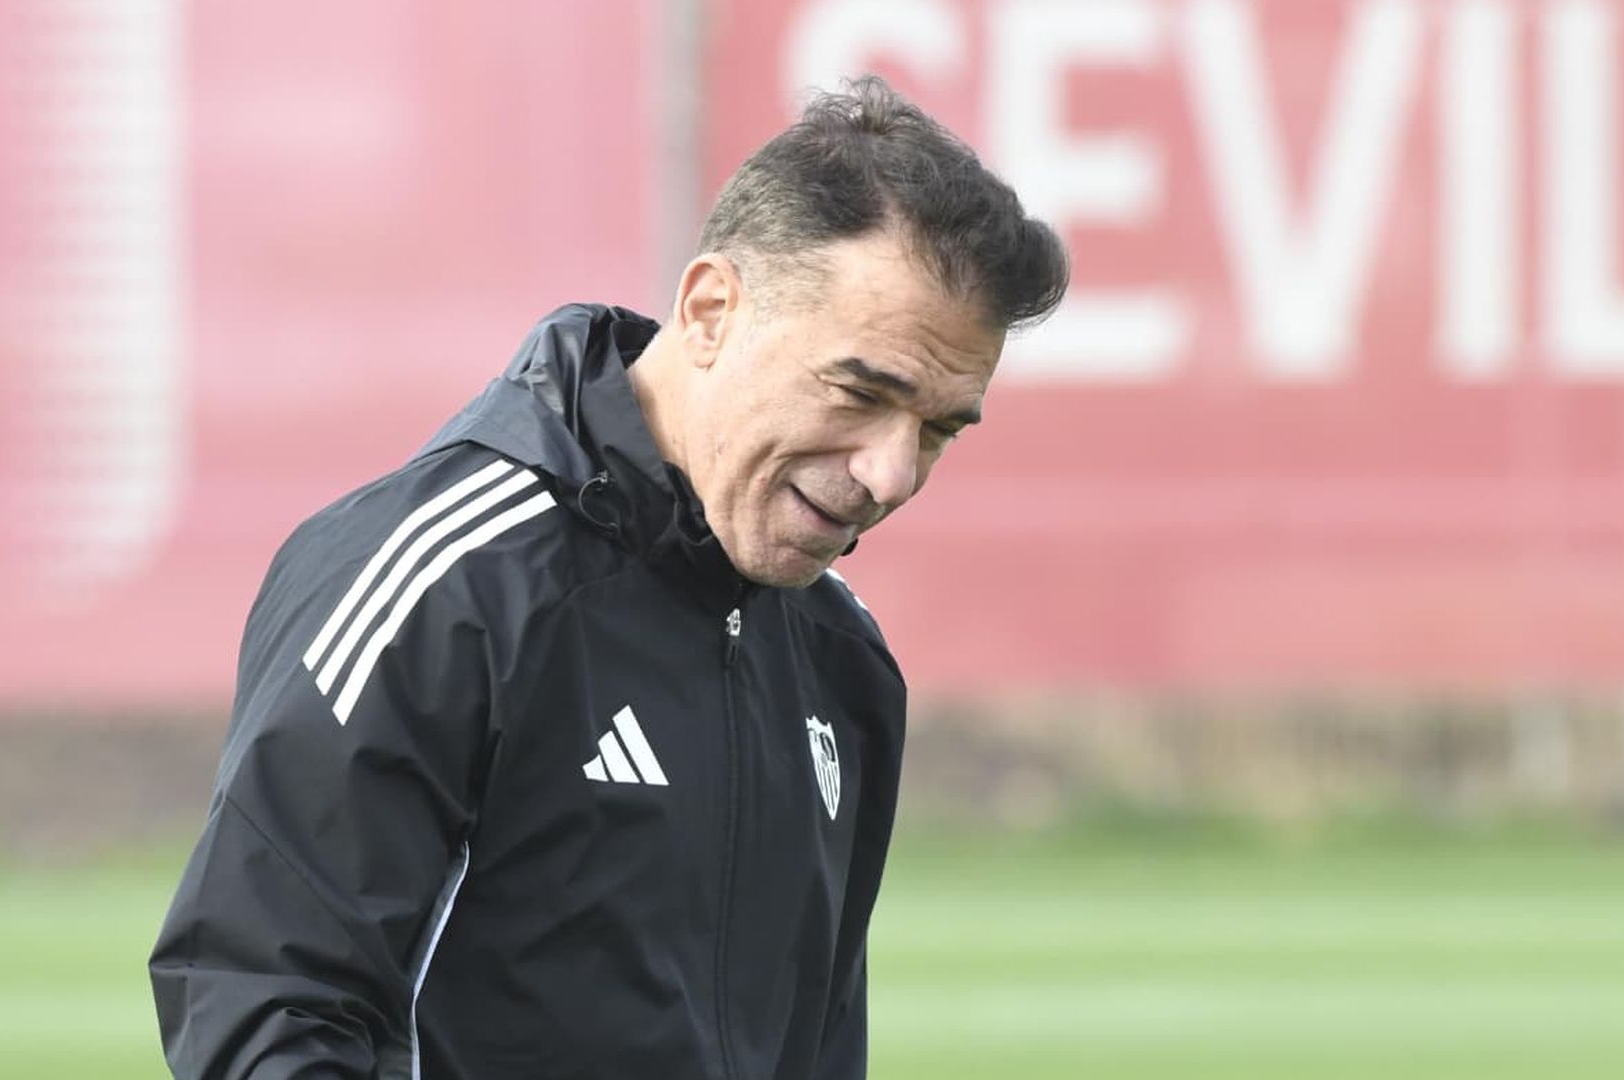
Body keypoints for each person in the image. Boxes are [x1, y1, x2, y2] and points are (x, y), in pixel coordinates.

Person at [148, 74, 1067, 1080]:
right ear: (712, 310)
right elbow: (264, 1016)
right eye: (859, 391)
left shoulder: (841, 659)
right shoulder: (445, 584)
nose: (892, 472)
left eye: (937, 428)